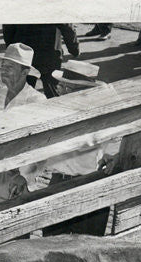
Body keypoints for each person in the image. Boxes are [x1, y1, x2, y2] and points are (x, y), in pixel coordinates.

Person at [40, 62, 121, 236]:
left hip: (89, 184)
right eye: (60, 85)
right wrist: (26, 176)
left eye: (65, 87)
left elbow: (117, 139)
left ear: (82, 92)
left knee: (86, 247)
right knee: (50, 244)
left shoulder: (101, 117)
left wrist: (114, 156)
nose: (59, 90)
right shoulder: (55, 115)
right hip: (58, 183)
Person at [0, 44, 46, 208]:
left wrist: (25, 176)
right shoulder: (3, 93)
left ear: (25, 72)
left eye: (9, 67)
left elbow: (41, 145)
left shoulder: (35, 101)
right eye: (3, 66)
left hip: (18, 174)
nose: (3, 70)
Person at [2, 24, 79, 98]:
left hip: (25, 53)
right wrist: (74, 48)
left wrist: (12, 49)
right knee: (52, 92)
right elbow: (66, 26)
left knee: (22, 93)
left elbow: (8, 27)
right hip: (49, 52)